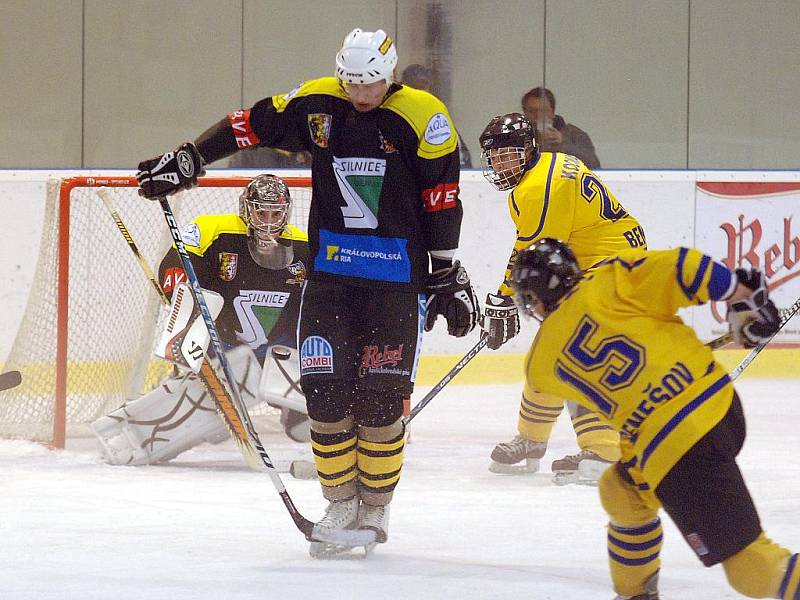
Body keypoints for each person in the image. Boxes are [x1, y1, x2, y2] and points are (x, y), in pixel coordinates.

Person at [134, 28, 480, 555]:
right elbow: (247, 125)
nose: (361, 94)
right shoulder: (318, 101)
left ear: (389, 76)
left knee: (382, 403)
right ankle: (340, 500)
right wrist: (190, 158)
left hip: (393, 284)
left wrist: (444, 270)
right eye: (352, 83)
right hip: (330, 278)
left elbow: (441, 197)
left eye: (371, 84)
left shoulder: (424, 116)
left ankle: (377, 505)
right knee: (324, 391)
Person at [509, 238, 791, 600]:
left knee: (753, 569)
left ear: (533, 298)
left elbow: (605, 399)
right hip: (717, 403)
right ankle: (635, 593)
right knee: (623, 492)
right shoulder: (611, 277)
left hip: (678, 448)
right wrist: (743, 298)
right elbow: (685, 267)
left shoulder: (540, 364)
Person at [92, 174, 311, 464]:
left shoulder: (304, 244)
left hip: (279, 351)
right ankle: (158, 422)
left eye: (275, 213)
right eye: (261, 211)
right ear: (247, 208)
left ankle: (294, 409)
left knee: (303, 427)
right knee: (206, 409)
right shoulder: (211, 229)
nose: (268, 220)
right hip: (224, 344)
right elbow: (172, 266)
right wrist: (189, 301)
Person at [478, 112, 647, 484]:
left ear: (528, 151)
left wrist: (504, 294)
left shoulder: (539, 187)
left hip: (612, 263)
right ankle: (531, 438)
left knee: (575, 353)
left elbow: (536, 250)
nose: (500, 163)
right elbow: (535, 247)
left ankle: (604, 451)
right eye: (494, 156)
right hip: (599, 258)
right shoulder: (545, 167)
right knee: (552, 349)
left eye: (509, 154)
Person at [400, 63, 473, 168]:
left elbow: (463, 165)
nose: (419, 92)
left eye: (422, 87)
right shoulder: (392, 120)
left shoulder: (439, 123)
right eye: (413, 87)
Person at [521, 86, 600, 169]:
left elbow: (594, 165)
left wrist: (563, 145)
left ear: (552, 112)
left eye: (543, 110)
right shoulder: (519, 136)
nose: (537, 115)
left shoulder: (575, 135)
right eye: (532, 111)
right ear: (525, 112)